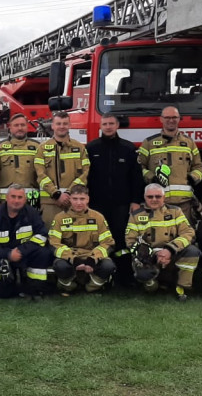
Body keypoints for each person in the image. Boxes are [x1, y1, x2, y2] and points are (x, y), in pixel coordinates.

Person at [86, 113, 143, 287]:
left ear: (117, 125)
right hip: (97, 203)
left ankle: (123, 276)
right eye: (105, 123)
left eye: (111, 123)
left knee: (121, 238)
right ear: (100, 126)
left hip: (121, 203)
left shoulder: (128, 148)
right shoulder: (91, 148)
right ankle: (102, 273)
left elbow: (136, 177)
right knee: (100, 238)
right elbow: (85, 176)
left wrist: (135, 201)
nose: (108, 126)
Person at [125, 183, 200, 302]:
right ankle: (153, 285)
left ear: (164, 197)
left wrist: (170, 250)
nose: (154, 199)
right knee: (145, 278)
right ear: (145, 198)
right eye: (150, 197)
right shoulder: (136, 215)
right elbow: (130, 240)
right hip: (149, 256)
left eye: (158, 196)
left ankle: (181, 287)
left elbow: (188, 233)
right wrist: (153, 254)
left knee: (192, 251)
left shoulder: (176, 211)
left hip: (173, 252)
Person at [0, 184, 55, 299]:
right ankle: (9, 284)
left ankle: (34, 288)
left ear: (25, 199)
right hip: (3, 257)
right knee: (0, 294)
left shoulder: (32, 213)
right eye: (13, 196)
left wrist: (21, 251)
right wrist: (7, 254)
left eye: (20, 197)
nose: (16, 200)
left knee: (43, 253)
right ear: (6, 198)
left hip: (25, 254)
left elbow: (42, 234)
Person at [137, 106, 202, 222]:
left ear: (179, 119)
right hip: (157, 202)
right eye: (167, 117)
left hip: (184, 203)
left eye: (174, 117)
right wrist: (151, 178)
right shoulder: (149, 143)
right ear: (161, 119)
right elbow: (139, 167)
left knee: (185, 236)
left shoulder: (189, 143)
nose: (171, 120)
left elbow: (198, 167)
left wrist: (192, 178)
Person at [47, 185, 116, 296]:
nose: (79, 203)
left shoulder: (98, 217)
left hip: (92, 256)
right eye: (75, 199)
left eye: (82, 199)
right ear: (70, 199)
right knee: (60, 266)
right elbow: (53, 244)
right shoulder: (59, 218)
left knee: (108, 266)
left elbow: (108, 243)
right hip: (70, 258)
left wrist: (93, 259)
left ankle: (92, 287)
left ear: (88, 199)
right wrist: (73, 259)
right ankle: (70, 286)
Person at [35, 111, 88, 223]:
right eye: (58, 124)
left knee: (74, 237)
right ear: (53, 126)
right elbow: (40, 174)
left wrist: (69, 194)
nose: (62, 126)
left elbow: (85, 173)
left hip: (74, 201)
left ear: (70, 125)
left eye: (65, 123)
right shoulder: (42, 148)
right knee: (51, 236)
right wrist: (56, 194)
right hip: (50, 202)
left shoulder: (79, 147)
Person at [0, 114, 40, 210]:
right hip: (4, 203)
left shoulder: (37, 147)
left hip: (31, 202)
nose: (20, 128)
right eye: (16, 125)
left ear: (27, 127)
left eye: (22, 125)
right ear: (10, 128)